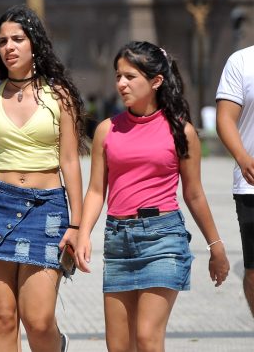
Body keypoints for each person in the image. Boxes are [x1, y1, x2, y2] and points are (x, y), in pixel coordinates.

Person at [75, 41, 230, 351]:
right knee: (119, 345)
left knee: (147, 338)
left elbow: (194, 194)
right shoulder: (106, 130)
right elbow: (95, 191)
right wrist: (83, 233)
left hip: (163, 239)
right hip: (118, 239)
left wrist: (216, 246)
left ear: (156, 81)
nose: (121, 84)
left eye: (130, 76)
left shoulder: (181, 132)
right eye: (118, 76)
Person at [0, 5, 86, 351]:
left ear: (34, 43)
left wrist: (77, 225)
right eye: (3, 41)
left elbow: (70, 161)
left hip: (47, 209)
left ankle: (56, 344)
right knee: (3, 316)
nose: (9, 47)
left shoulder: (59, 95)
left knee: (37, 319)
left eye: (18, 39)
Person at [216, 43, 254, 317]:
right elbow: (225, 118)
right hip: (251, 186)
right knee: (253, 271)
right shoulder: (242, 61)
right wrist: (242, 158)